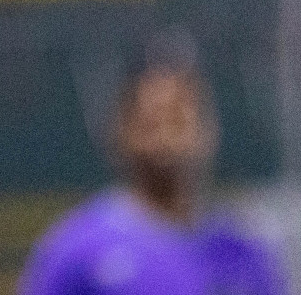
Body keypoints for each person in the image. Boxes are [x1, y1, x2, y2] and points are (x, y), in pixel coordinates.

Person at [19, 49, 286, 295]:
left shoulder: (243, 253)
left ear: (209, 129)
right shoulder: (77, 251)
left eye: (179, 121)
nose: (166, 139)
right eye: (152, 123)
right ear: (122, 131)